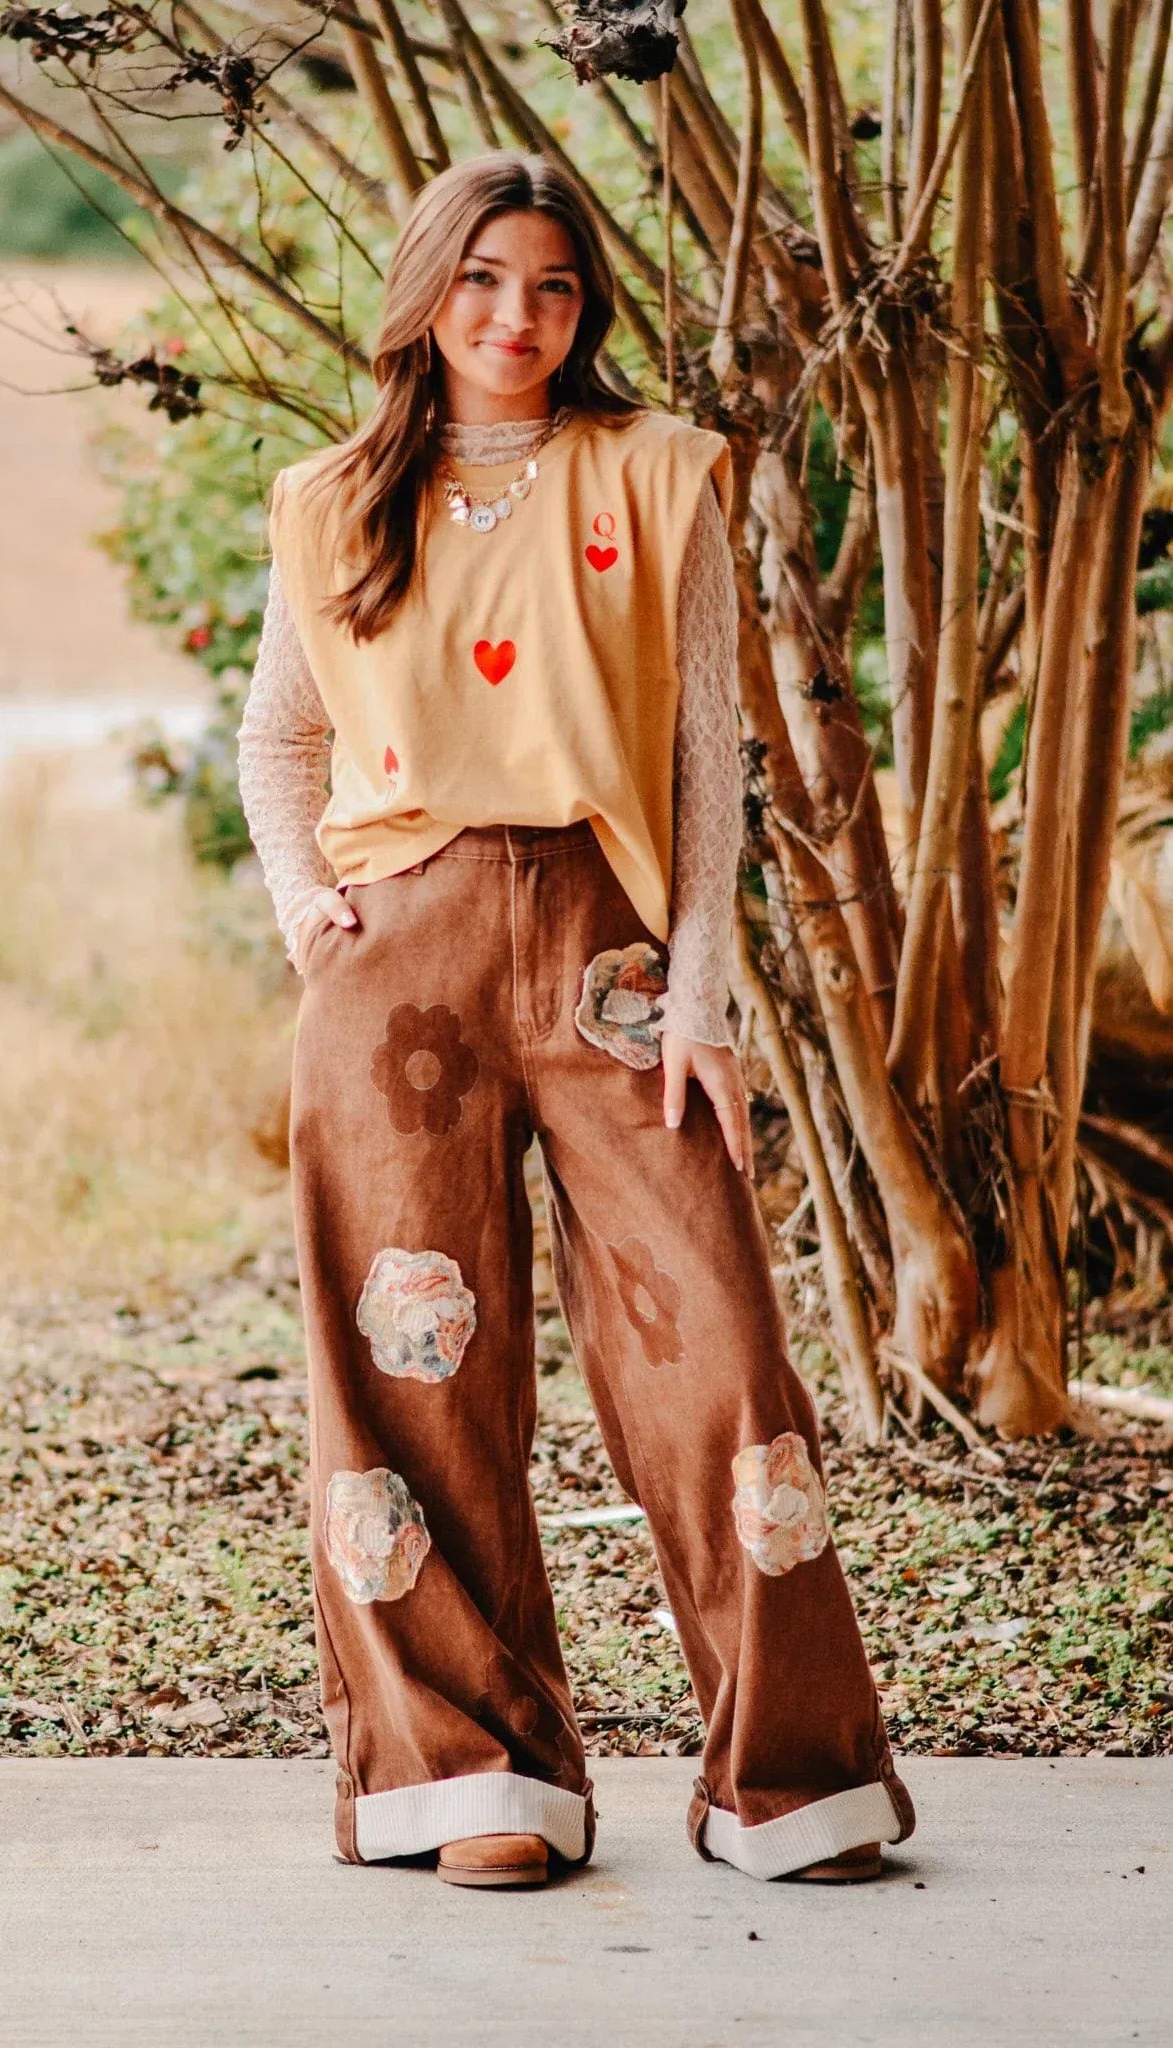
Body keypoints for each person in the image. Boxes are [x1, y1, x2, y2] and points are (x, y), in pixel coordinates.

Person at [237, 151, 915, 1891]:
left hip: (613, 951)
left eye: (551, 285)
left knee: (717, 1348)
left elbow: (704, 758)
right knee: (415, 1367)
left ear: (585, 305)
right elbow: (282, 737)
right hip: (398, 961)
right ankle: (475, 1776)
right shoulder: (331, 502)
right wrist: (306, 905)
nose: (515, 316)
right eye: (481, 279)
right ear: (426, 291)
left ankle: (789, 1781)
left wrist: (705, 992)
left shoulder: (657, 473)